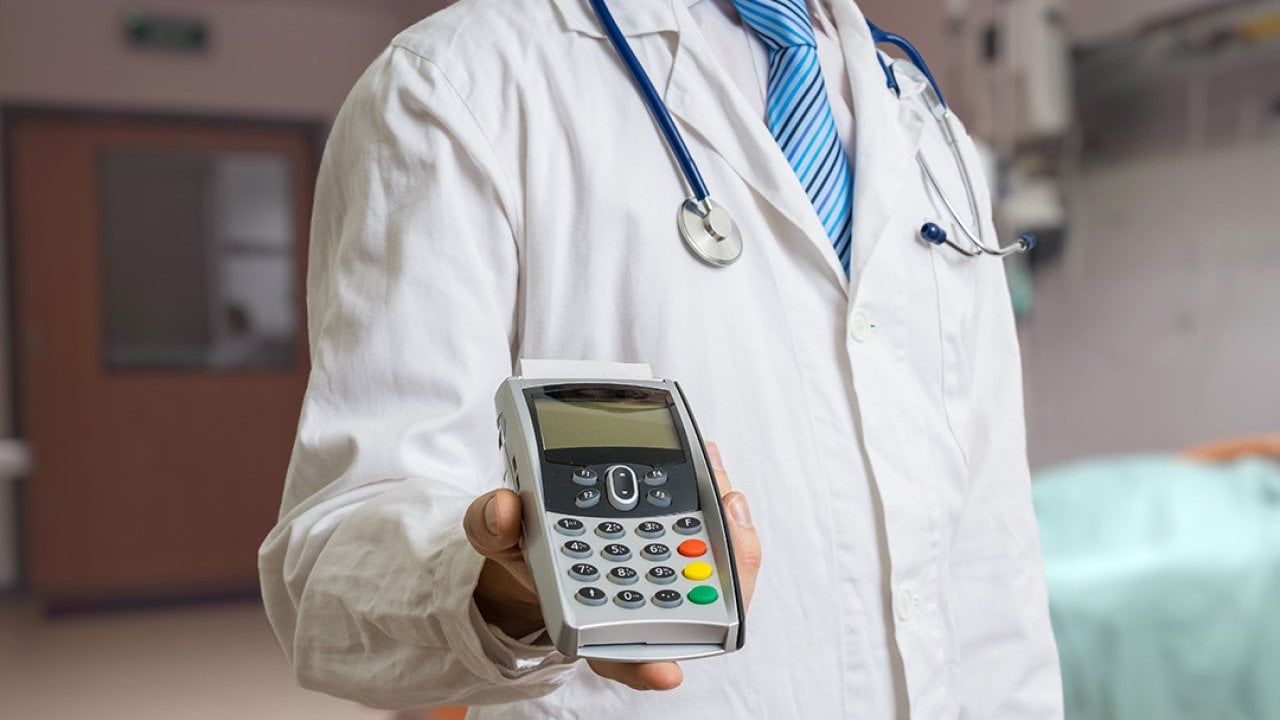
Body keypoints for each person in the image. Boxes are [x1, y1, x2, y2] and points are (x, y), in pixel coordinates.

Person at [258, 0, 1064, 716]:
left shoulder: (928, 127)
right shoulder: (460, 82)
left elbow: (993, 545)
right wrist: (511, 590)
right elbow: (330, 567)